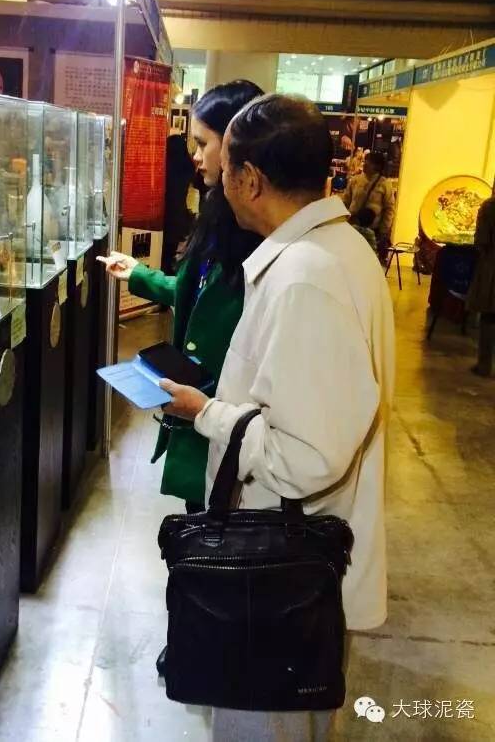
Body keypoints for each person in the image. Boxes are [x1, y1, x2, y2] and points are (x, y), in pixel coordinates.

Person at [160, 94, 395, 742]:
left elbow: (306, 456)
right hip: (299, 573)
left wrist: (206, 413)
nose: (212, 174)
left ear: (251, 179)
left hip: (280, 579)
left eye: (221, 162)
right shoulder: (331, 252)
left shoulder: (305, 277)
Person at [99, 79, 263, 517]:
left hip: (225, 417)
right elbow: (202, 291)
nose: (196, 155)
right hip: (201, 411)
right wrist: (140, 276)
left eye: (203, 143)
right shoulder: (219, 214)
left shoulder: (256, 232)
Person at [344, 150, 395, 263]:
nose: (365, 164)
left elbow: (389, 208)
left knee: (368, 260)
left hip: (373, 230)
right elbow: (346, 201)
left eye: (369, 162)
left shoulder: (385, 184)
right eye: (365, 161)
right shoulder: (355, 180)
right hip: (353, 226)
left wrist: (384, 230)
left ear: (378, 166)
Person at [466, 185, 495, 377]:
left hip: (492, 267)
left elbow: (481, 240)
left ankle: (484, 365)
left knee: (489, 317)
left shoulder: (489, 206)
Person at [161, 133, 196, 273]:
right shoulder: (187, 168)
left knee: (162, 254)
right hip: (179, 217)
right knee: (169, 254)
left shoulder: (165, 169)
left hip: (165, 216)